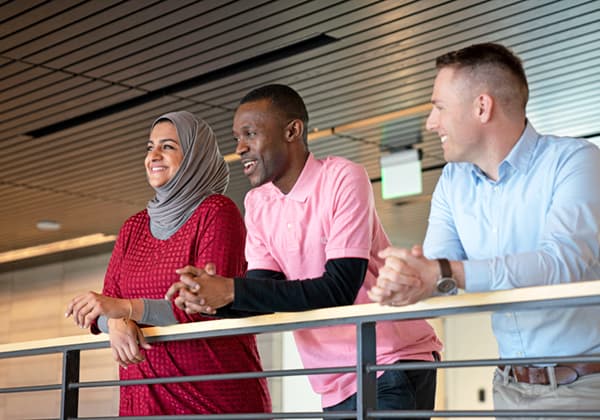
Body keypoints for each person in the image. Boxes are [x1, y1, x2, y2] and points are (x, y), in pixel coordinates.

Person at [165, 84, 443, 418]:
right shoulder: (257, 203)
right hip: (332, 379)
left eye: (250, 133)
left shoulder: (343, 177)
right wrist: (211, 301)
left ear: (292, 130)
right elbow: (263, 295)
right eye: (237, 137)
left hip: (389, 359)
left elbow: (338, 288)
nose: (240, 147)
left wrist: (231, 290)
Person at [368, 42, 600, 418]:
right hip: (509, 389)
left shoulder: (575, 161)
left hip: (582, 390)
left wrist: (441, 273)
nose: (430, 122)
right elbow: (439, 274)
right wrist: (410, 278)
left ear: (481, 106)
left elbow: (562, 265)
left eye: (438, 107)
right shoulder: (453, 183)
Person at [65, 111, 271, 416]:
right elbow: (107, 305)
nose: (154, 156)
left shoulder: (216, 212)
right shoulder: (132, 227)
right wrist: (116, 321)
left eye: (168, 146)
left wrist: (126, 309)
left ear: (194, 158)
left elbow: (207, 305)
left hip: (213, 396)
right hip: (143, 400)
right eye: (150, 147)